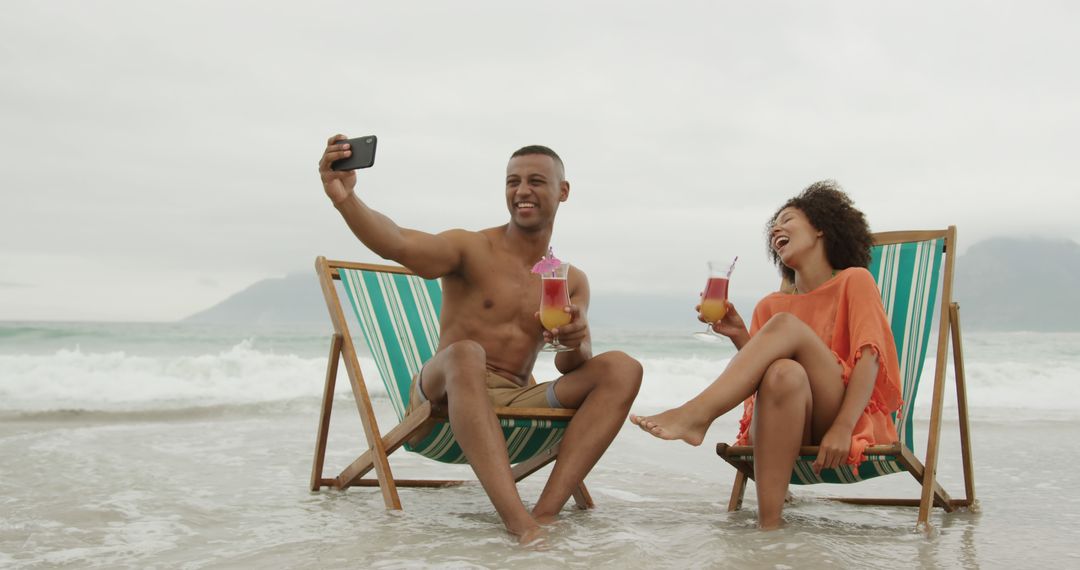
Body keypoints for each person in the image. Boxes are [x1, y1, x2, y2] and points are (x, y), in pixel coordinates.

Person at [318, 135, 643, 544]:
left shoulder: (568, 279)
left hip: (513, 402)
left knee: (622, 368)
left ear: (563, 192)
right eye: (513, 181)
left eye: (536, 181)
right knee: (467, 354)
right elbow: (396, 241)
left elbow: (571, 366)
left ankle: (545, 512)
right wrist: (344, 199)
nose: (522, 190)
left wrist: (577, 339)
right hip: (442, 397)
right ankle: (518, 522)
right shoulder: (470, 248)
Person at [629, 180, 901, 529]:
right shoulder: (770, 306)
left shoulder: (854, 280)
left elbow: (870, 357)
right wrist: (742, 336)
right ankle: (769, 527)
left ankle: (696, 415)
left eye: (788, 219)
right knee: (783, 372)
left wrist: (843, 426)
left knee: (785, 327)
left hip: (838, 414)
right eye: (775, 224)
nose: (777, 228)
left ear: (820, 227)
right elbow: (761, 380)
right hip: (787, 419)